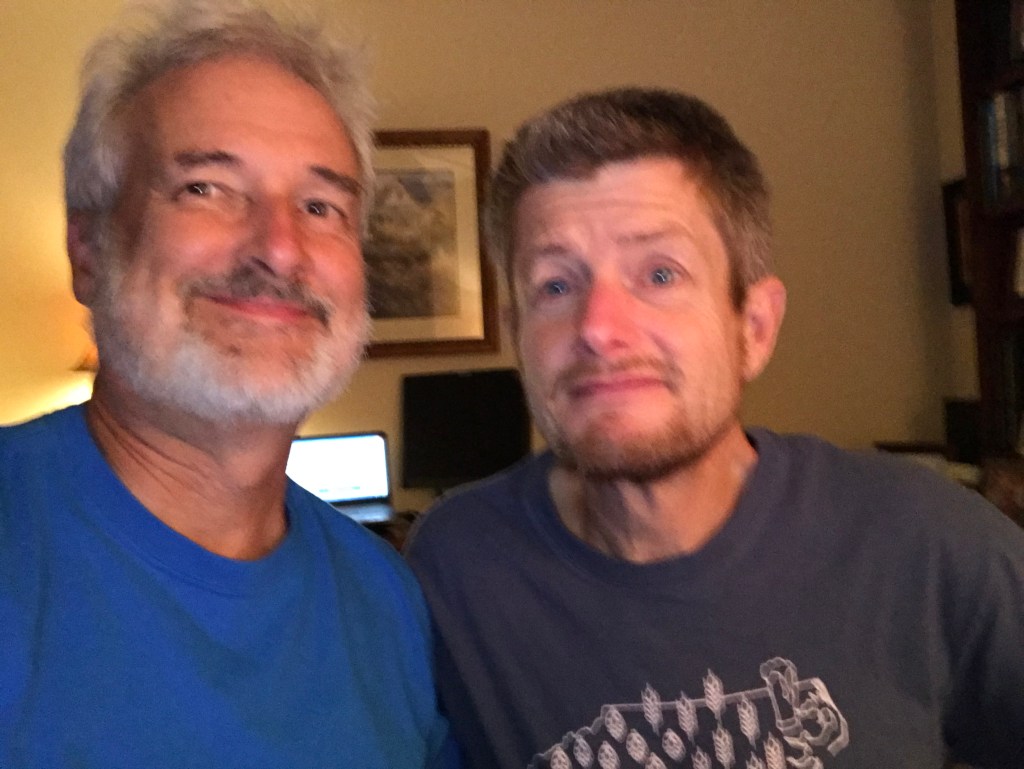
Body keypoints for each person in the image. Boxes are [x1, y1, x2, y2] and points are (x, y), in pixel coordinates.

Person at [405, 87, 1024, 769]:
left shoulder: (928, 542)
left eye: (659, 273)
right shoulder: (455, 567)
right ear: (519, 335)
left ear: (753, 328)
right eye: (555, 285)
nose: (599, 328)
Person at [0, 2, 458, 767]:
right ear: (89, 250)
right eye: (206, 188)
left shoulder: (386, 596)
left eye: (321, 206)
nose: (280, 248)